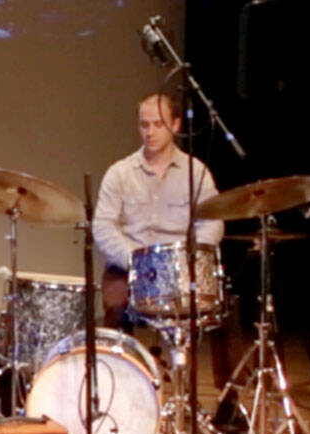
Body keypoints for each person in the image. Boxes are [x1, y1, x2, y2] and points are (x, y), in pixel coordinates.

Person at [92, 92, 224, 329]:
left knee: (221, 310)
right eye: (144, 125)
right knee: (114, 308)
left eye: (158, 124)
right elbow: (103, 226)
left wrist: (186, 261)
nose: (150, 132)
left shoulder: (196, 172)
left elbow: (213, 222)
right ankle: (122, 365)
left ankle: (200, 366)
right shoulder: (119, 172)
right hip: (129, 268)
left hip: (181, 267)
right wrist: (137, 262)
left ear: (175, 125)